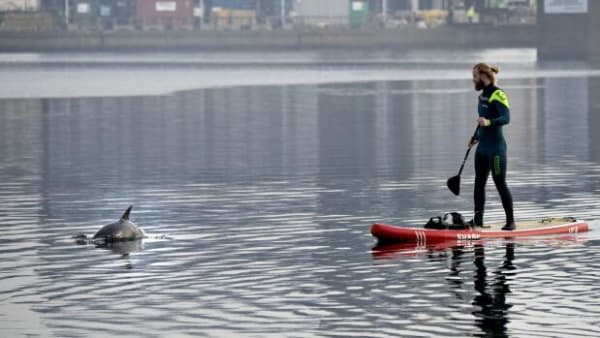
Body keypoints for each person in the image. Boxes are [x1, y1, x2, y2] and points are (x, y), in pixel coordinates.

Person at [469, 63, 515, 230]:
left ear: (484, 76)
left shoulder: (498, 94)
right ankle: (478, 221)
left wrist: (488, 122)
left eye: (475, 75)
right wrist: (475, 136)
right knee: (478, 184)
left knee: (499, 183)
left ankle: (511, 221)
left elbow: (506, 118)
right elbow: (482, 122)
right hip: (482, 149)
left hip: (496, 150)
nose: (472, 78)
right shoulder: (481, 97)